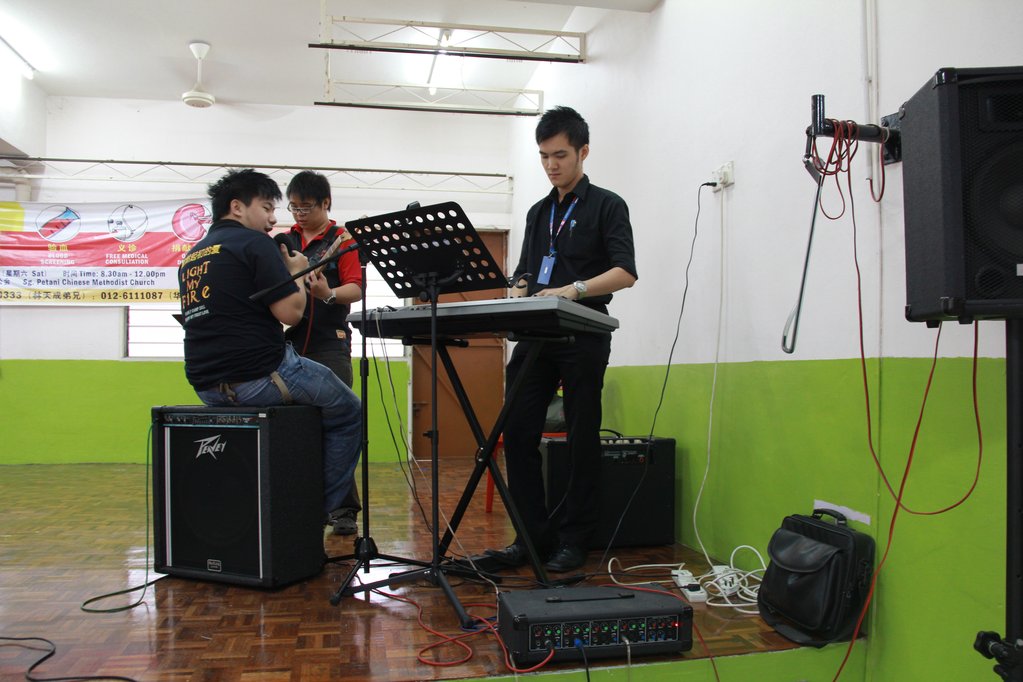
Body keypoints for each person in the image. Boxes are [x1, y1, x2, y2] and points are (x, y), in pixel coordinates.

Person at [484, 106, 637, 573]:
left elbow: (625, 272)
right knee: (518, 431)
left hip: (584, 332)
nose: (551, 165)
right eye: (544, 156)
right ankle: (530, 537)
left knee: (581, 436)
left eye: (560, 155)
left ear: (583, 152)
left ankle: (574, 538)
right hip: (536, 334)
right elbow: (526, 272)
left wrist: (574, 289)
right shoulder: (538, 212)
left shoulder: (608, 205)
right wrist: (515, 294)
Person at [178, 168, 363, 536]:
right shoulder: (259, 243)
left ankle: (258, 514)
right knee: (348, 413)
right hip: (262, 372)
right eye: (268, 208)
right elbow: (290, 313)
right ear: (237, 207)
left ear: (325, 204)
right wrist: (298, 273)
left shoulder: (192, 256)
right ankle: (313, 511)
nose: (274, 218)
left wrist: (326, 293)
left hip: (206, 384)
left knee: (297, 428)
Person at [281, 170, 364, 535]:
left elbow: (355, 289)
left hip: (331, 342)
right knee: (297, 428)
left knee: (337, 423)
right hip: (291, 341)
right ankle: (306, 503)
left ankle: (344, 509)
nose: (299, 213)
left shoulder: (343, 240)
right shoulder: (285, 241)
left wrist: (328, 293)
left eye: (307, 207)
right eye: (294, 207)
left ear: (326, 203)